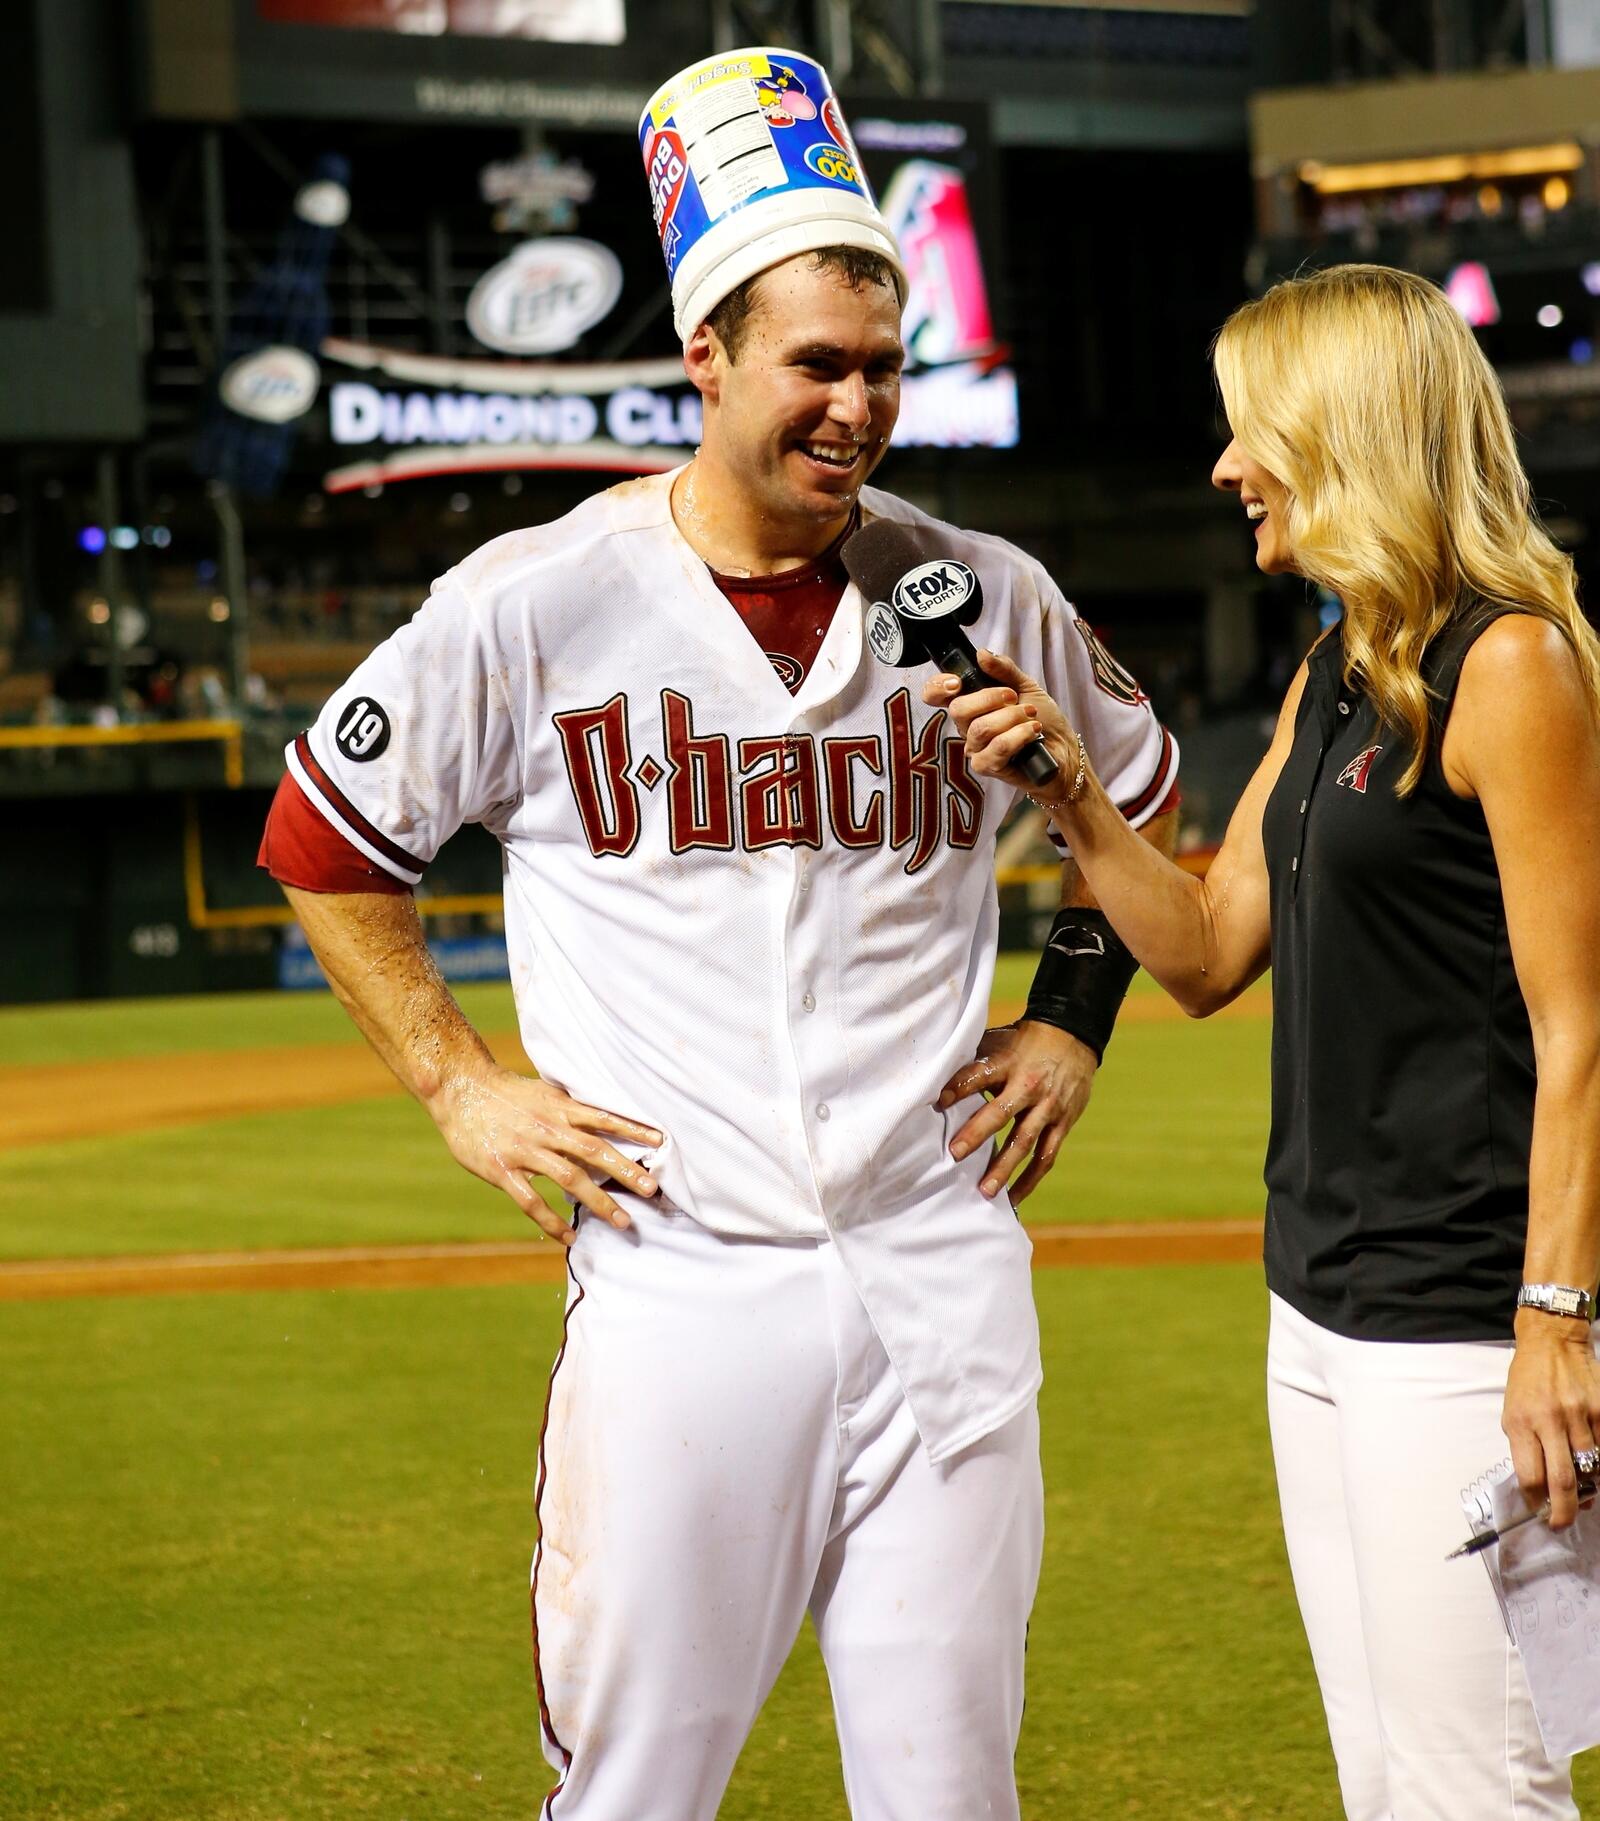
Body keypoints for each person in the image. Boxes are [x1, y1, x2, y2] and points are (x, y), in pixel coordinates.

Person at [258, 51, 1180, 1820]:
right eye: (814, 366)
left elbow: (1130, 815)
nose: (856, 407)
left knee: (951, 1792)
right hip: (686, 1283)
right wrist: (462, 1088)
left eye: (883, 369)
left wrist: (1070, 1016)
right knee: (636, 1789)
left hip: (939, 1267)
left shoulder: (975, 589)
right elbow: (321, 841)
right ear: (705, 359)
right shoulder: (542, 600)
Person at [936, 261, 1600, 1820]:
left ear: (1348, 428)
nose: (1228, 466)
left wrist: (1559, 1314)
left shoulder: (1509, 663)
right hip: (1316, 1307)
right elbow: (1206, 951)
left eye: (1255, 431)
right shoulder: (1336, 667)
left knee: (1472, 1783)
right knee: (1385, 1781)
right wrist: (1074, 797)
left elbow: (1585, 1025)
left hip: (1457, 1320)